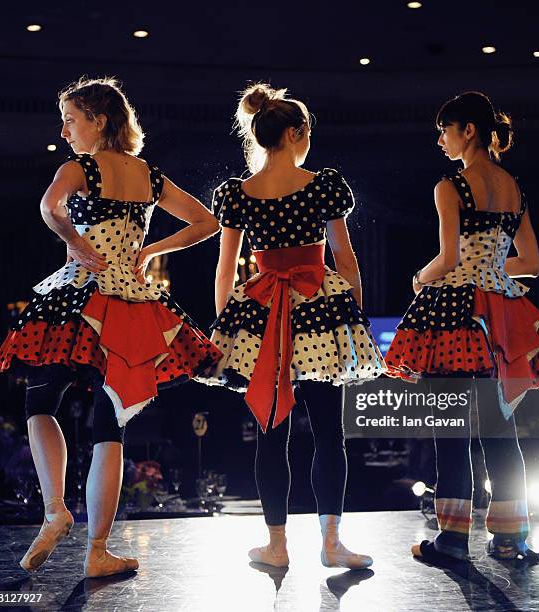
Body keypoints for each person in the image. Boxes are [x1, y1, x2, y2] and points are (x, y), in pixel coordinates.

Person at [0, 77, 222, 577]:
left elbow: (48, 207)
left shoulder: (80, 167)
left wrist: (72, 240)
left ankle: (55, 508)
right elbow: (207, 223)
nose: (65, 129)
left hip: (78, 294)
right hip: (130, 302)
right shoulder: (148, 176)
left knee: (39, 403)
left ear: (99, 119)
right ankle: (97, 551)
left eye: (71, 119)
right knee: (109, 423)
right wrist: (151, 250)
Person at [196, 83, 386, 568]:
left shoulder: (238, 194)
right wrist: (354, 316)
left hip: (261, 314)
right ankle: (331, 543)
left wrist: (227, 329)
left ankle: (277, 546)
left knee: (270, 431)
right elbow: (344, 258)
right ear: (297, 132)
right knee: (329, 433)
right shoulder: (322, 185)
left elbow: (225, 269)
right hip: (319, 308)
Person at [385, 91, 539, 564]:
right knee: (499, 434)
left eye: (445, 130)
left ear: (468, 131)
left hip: (453, 314)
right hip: (499, 315)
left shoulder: (450, 185)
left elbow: (447, 260)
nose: (441, 140)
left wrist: (418, 278)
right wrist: (490, 269)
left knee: (450, 434)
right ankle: (510, 540)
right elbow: (530, 263)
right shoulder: (515, 187)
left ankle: (451, 540)